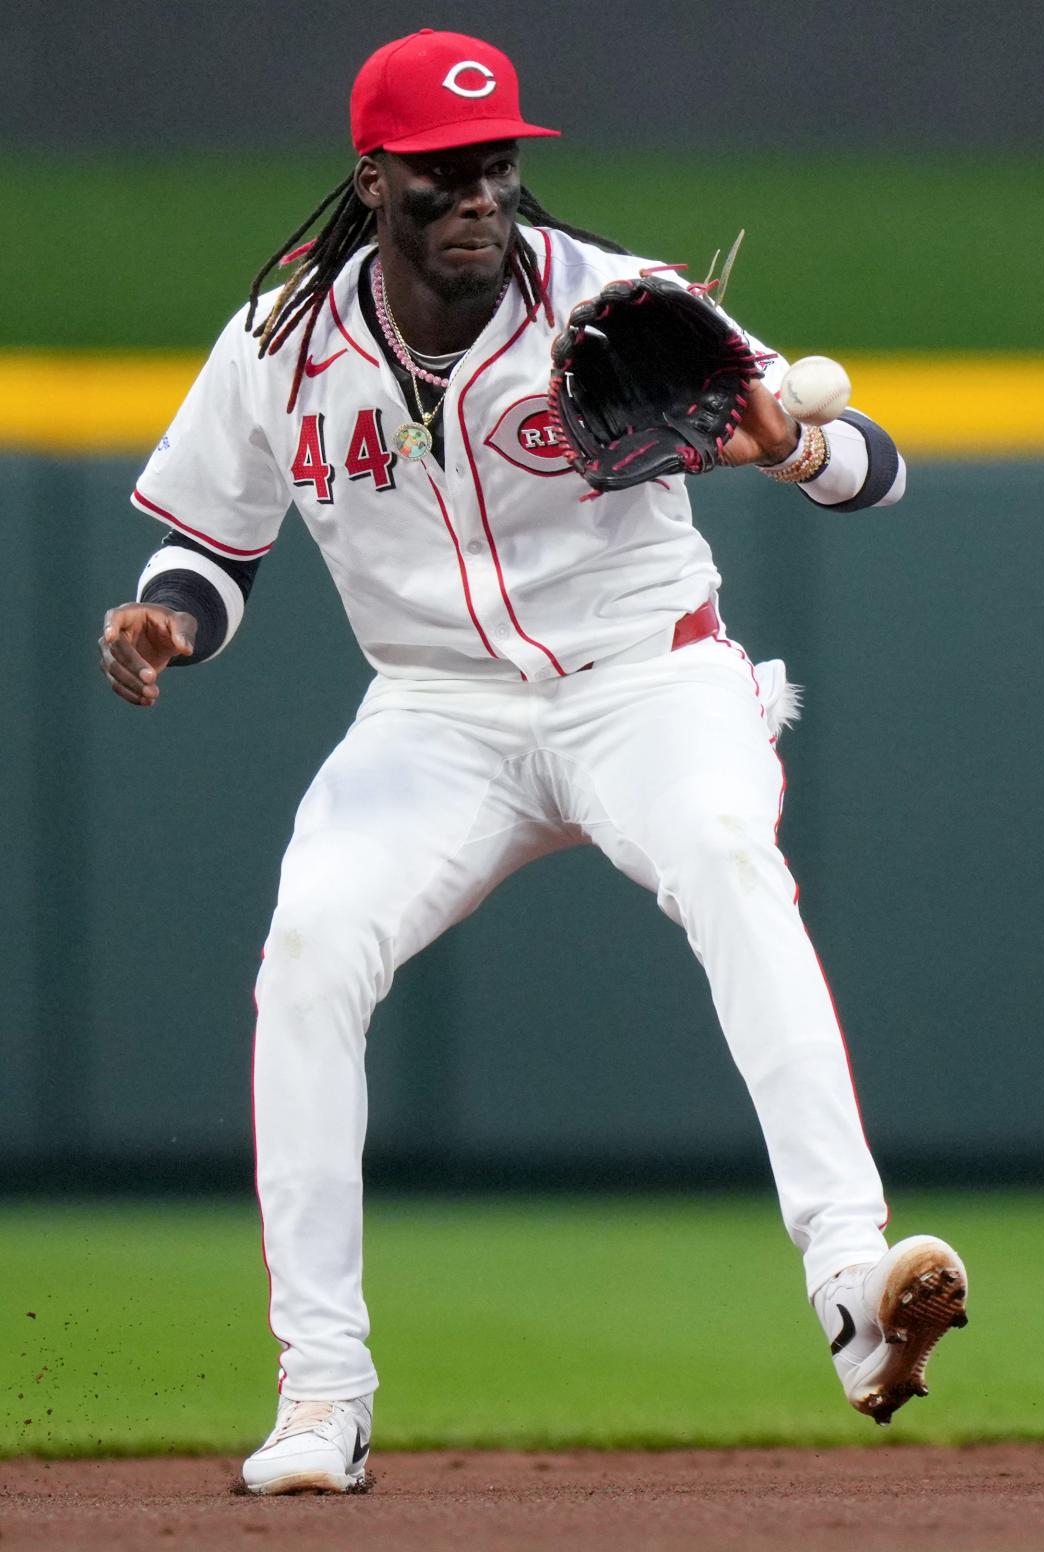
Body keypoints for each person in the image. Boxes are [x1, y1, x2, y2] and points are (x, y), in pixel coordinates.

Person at [98, 30, 967, 1495]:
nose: (479, 194)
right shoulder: (280, 343)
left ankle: (850, 1283)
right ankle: (321, 1393)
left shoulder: (619, 300)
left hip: (648, 680)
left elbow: (875, 470)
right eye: (444, 171)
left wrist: (791, 452)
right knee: (308, 952)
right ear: (374, 177)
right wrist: (166, 621)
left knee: (722, 858)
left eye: (496, 162)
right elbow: (210, 547)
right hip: (434, 713)